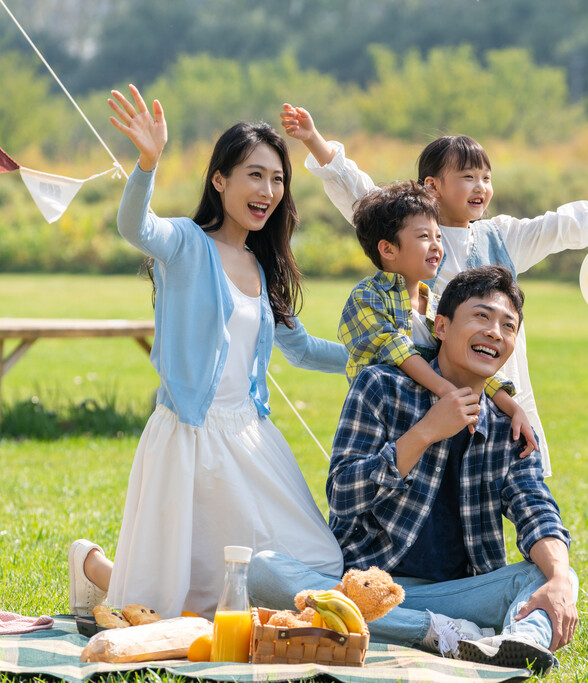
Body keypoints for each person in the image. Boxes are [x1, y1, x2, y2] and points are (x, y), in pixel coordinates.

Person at [67, 85, 346, 620]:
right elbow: (135, 227)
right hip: (189, 437)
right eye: (255, 174)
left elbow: (303, 349)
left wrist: (380, 356)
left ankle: (96, 568)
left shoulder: (262, 268)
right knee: (177, 604)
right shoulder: (186, 245)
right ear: (220, 181)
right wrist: (147, 163)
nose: (268, 189)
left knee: (317, 565)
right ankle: (92, 567)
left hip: (251, 437)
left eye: (278, 178)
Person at [280, 103, 588, 477]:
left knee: (508, 464)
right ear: (432, 186)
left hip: (496, 375)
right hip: (433, 387)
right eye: (467, 177)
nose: (480, 186)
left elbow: (560, 226)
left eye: (486, 177)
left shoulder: (502, 235)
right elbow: (361, 195)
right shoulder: (410, 233)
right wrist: (314, 139)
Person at [248, 266, 576, 675]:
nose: (495, 332)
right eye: (481, 316)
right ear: (441, 325)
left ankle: (519, 645)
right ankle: (440, 633)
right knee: (263, 571)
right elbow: (343, 493)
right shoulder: (380, 387)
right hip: (367, 589)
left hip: (458, 594)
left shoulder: (509, 425)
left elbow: (536, 507)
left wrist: (559, 579)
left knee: (550, 572)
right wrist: (424, 434)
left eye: (507, 326)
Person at [340, 179, 536, 454]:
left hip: (430, 415)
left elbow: (461, 360)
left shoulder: (433, 305)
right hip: (385, 418)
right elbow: (397, 351)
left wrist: (513, 407)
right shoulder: (368, 296)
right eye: (423, 237)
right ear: (388, 249)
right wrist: (448, 392)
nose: (435, 246)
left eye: (438, 237)